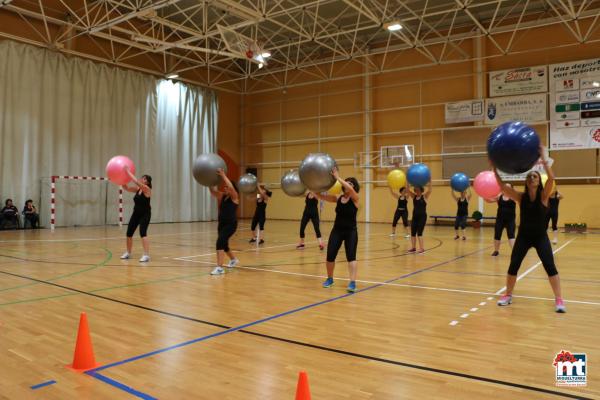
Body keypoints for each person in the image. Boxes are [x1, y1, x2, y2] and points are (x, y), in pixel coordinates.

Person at [493, 145, 565, 313]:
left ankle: (559, 299)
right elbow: (503, 187)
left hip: (540, 237)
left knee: (550, 266)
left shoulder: (544, 196)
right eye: (530, 176)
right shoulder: (520, 197)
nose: (532, 178)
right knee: (514, 265)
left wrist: (544, 161)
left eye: (535, 176)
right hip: (524, 237)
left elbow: (552, 179)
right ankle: (508, 295)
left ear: (539, 181)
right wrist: (494, 169)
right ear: (527, 181)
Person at [313, 168, 360, 293]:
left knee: (351, 257)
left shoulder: (355, 198)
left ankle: (352, 282)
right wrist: (313, 188)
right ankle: (330, 279)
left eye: (351, 183)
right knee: (330, 256)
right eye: (347, 182)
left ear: (354, 187)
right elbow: (321, 196)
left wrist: (338, 178)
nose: (348, 185)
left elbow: (350, 190)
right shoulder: (338, 198)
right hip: (337, 231)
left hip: (351, 231)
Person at [209, 169, 240, 275]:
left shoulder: (235, 197)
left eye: (227, 187)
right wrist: (209, 182)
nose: (225, 188)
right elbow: (213, 191)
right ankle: (234, 260)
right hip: (221, 224)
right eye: (225, 187)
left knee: (219, 242)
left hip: (231, 225)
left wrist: (223, 175)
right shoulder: (222, 196)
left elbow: (231, 187)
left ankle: (219, 267)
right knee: (225, 245)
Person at [120, 167, 152, 262]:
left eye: (144, 178)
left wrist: (127, 172)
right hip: (136, 214)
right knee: (129, 233)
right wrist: (121, 179)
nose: (142, 179)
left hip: (145, 214)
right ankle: (128, 253)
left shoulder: (147, 189)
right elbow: (127, 188)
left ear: (147, 182)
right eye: (142, 177)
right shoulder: (138, 189)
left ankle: (146, 255)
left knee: (143, 233)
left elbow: (135, 181)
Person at [486, 184, 516, 256]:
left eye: (508, 187)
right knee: (497, 234)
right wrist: (484, 195)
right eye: (505, 187)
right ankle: (496, 251)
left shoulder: (513, 197)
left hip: (510, 220)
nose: (506, 188)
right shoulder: (499, 196)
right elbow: (489, 200)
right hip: (500, 219)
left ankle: (515, 252)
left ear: (511, 188)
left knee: (511, 235)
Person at [406, 182, 432, 253]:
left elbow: (430, 190)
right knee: (413, 232)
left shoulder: (424, 197)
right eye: (415, 190)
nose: (416, 191)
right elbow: (407, 190)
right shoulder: (414, 197)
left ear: (421, 190)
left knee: (419, 232)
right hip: (414, 217)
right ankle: (413, 248)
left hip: (422, 217)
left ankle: (422, 248)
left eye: (418, 190)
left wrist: (430, 181)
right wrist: (407, 182)